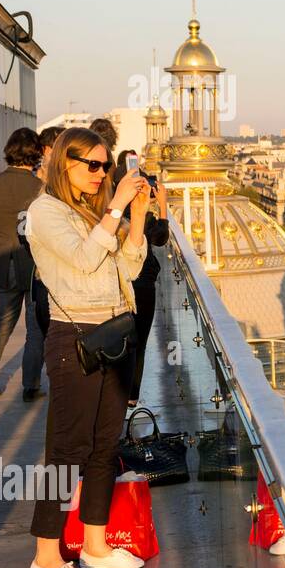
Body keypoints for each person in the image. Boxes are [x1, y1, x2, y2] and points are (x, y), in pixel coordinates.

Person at [24, 127, 150, 568]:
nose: (101, 174)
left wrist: (135, 217)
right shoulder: (45, 212)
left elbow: (128, 269)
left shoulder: (90, 211)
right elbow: (81, 260)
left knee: (103, 445)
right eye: (92, 166)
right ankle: (46, 557)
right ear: (66, 165)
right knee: (66, 451)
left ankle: (95, 546)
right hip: (74, 337)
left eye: (106, 166)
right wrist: (115, 205)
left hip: (113, 333)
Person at [0, 128, 47, 401]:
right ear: (35, 154)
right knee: (35, 327)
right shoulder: (39, 187)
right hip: (33, 265)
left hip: (3, 263)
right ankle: (30, 386)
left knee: (2, 322)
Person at [110, 149, 169, 406]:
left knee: (117, 338)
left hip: (117, 282)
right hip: (142, 283)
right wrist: (162, 204)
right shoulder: (141, 213)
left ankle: (115, 391)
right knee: (139, 340)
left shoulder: (111, 208)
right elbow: (161, 237)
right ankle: (132, 395)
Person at [31, 126, 65, 340]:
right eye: (59, 146)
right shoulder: (34, 179)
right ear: (46, 149)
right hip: (40, 270)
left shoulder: (67, 178)